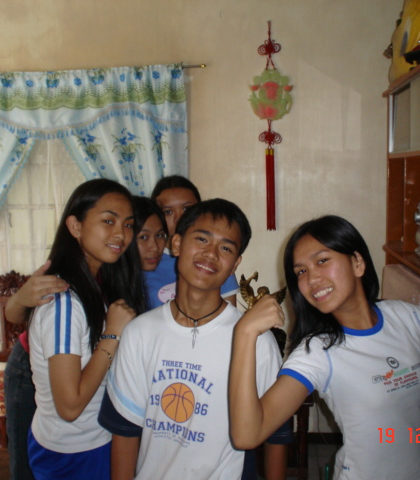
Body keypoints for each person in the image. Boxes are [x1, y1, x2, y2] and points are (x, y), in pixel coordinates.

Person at [228, 215, 420, 480]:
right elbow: (246, 436)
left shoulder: (406, 317)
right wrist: (244, 333)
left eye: (322, 261)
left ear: (358, 263)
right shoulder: (317, 353)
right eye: (301, 271)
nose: (311, 280)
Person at [98, 199, 292, 480]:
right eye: (202, 239)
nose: (211, 253)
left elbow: (276, 435)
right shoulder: (139, 333)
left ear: (235, 264)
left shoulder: (256, 341)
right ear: (177, 244)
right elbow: (126, 431)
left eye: (226, 248)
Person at [3, 194, 163, 479]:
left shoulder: (106, 275)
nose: (121, 234)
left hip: (92, 430)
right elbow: (70, 406)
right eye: (108, 221)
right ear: (75, 226)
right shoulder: (66, 298)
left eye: (127, 225)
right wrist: (113, 334)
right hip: (71, 441)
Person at [146, 175, 239, 307]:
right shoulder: (148, 259)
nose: (179, 218)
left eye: (187, 209)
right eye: (168, 212)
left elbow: (230, 314)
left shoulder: (214, 259)